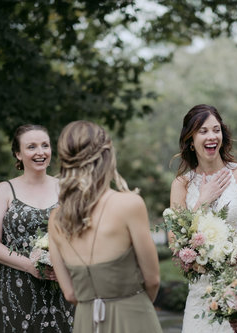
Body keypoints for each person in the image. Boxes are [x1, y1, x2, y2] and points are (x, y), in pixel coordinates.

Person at [48, 120, 162, 333]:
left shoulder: (55, 219)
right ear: (107, 156)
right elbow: (153, 280)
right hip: (134, 317)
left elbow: (70, 294)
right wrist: (133, 304)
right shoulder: (129, 204)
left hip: (86, 321)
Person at [168, 105, 237, 332]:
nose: (212, 136)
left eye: (216, 130)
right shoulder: (181, 185)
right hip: (203, 287)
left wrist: (230, 252)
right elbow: (175, 241)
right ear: (190, 140)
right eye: (203, 131)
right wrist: (202, 200)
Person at [0, 124, 73, 332]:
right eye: (31, 147)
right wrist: (29, 265)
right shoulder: (4, 190)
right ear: (18, 153)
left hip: (62, 286)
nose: (40, 152)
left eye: (45, 145)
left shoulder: (66, 188)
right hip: (17, 288)